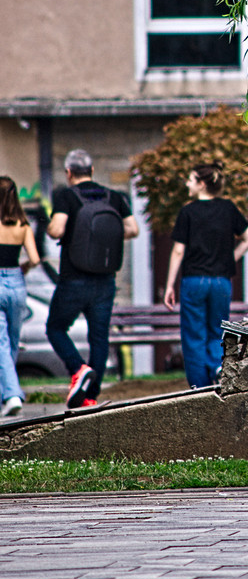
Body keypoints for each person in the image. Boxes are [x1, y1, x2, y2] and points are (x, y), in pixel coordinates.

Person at [46, 150, 139, 407]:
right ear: (92, 170)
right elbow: (132, 229)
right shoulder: (114, 197)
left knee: (55, 328)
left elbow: (57, 229)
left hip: (73, 279)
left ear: (69, 173)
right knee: (99, 337)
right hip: (105, 280)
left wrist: (50, 227)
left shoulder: (66, 197)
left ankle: (78, 369)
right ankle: (89, 396)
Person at [163, 163, 248, 389]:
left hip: (194, 281)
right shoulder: (229, 208)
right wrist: (229, 260)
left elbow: (178, 251)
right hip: (221, 282)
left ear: (202, 184)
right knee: (217, 331)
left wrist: (169, 285)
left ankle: (200, 387)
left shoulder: (188, 212)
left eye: (190, 180)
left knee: (194, 336)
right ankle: (217, 367)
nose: (187, 184)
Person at [0, 178, 41, 417]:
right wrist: (23, 267)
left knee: (1, 343)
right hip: (16, 282)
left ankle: (11, 394)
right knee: (12, 341)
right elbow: (35, 259)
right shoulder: (22, 225)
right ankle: (8, 393)